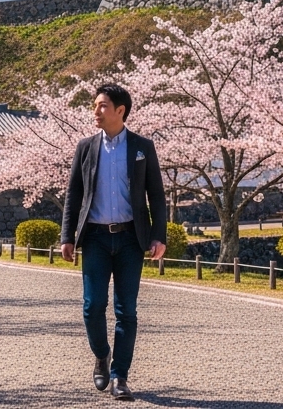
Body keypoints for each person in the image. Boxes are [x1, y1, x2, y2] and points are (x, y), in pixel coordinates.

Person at [60, 83, 167, 402]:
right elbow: (73, 193)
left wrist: (158, 234)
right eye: (95, 105)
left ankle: (120, 376)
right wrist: (67, 235)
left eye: (102, 105)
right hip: (94, 238)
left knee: (127, 311)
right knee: (92, 307)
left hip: (131, 239)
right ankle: (101, 354)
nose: (96, 111)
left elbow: (156, 196)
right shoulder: (86, 146)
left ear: (120, 111)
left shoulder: (142, 147)